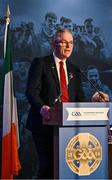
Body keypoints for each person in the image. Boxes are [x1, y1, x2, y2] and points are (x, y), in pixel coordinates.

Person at [26, 29, 109, 179]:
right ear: (54, 44)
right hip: (45, 125)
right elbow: (32, 92)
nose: (68, 46)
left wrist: (93, 101)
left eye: (71, 43)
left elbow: (78, 98)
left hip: (70, 128)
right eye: (64, 42)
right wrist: (42, 107)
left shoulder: (74, 69)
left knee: (68, 169)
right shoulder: (41, 63)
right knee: (48, 168)